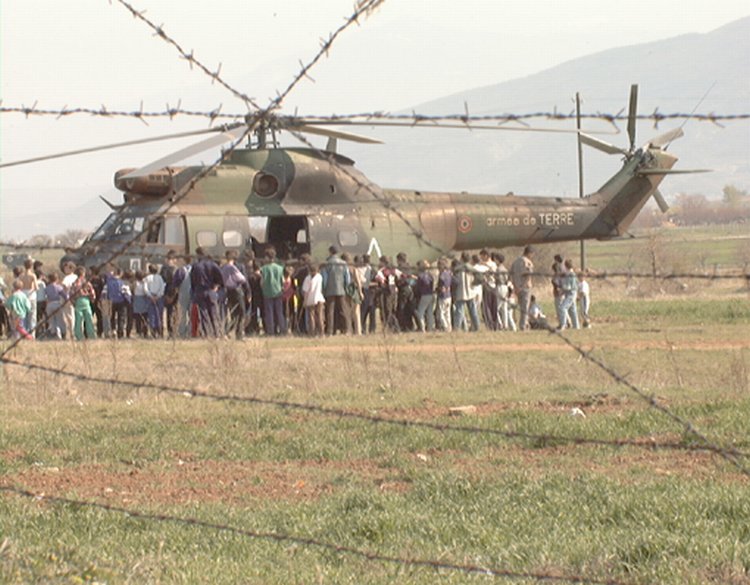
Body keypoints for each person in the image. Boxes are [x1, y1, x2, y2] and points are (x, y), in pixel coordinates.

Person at [191, 247, 224, 337]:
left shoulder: (195, 266)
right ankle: (218, 333)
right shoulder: (213, 265)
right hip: (211, 290)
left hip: (200, 291)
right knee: (214, 313)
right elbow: (221, 277)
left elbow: (193, 281)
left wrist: (194, 291)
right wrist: (217, 286)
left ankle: (208, 334)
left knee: (204, 313)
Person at [321, 246, 351, 336]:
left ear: (330, 252)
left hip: (330, 290)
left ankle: (330, 331)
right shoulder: (344, 263)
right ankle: (346, 329)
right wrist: (345, 286)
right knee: (343, 309)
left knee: (330, 310)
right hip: (341, 289)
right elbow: (347, 278)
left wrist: (324, 288)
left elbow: (325, 279)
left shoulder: (327, 264)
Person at [221, 250, 249, 340]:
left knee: (233, 313)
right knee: (241, 312)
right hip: (236, 290)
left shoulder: (222, 268)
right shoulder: (233, 268)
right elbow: (242, 279)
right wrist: (248, 291)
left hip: (228, 292)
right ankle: (239, 333)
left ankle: (226, 331)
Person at [259, 246, 286, 335]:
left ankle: (271, 331)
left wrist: (263, 287)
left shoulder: (264, 269)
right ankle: (282, 330)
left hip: (267, 293)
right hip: (278, 292)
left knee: (269, 313)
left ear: (267, 257)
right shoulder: (280, 268)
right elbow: (283, 281)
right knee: (279, 312)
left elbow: (262, 282)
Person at [453, 252, 480, 332]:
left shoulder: (458, 268)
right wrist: (474, 283)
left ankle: (457, 328)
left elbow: (455, 280)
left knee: (459, 311)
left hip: (461, 291)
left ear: (461, 258)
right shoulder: (471, 268)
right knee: (473, 311)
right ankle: (476, 327)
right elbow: (480, 277)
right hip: (471, 291)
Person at [510, 245, 534, 331]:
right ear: (529, 253)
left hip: (517, 287)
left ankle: (524, 324)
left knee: (521, 307)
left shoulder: (515, 261)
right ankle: (523, 325)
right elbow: (528, 275)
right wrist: (522, 286)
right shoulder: (527, 262)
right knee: (525, 308)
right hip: (525, 287)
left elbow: (511, 274)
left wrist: (515, 286)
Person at [70, 267, 97, 340]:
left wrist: (74, 303)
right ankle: (91, 335)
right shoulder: (87, 283)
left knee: (78, 320)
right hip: (86, 301)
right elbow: (92, 292)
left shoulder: (74, 283)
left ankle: (79, 335)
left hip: (78, 302)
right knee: (89, 319)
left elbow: (71, 295)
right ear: (83, 274)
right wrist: (92, 299)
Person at [301, 263, 325, 336]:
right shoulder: (319, 277)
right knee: (320, 316)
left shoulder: (308, 278)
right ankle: (321, 332)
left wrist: (305, 301)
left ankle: (312, 333)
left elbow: (305, 291)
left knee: (311, 317)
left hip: (311, 299)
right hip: (319, 298)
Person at [343, 253, 363, 335]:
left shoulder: (343, 269)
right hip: (354, 290)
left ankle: (349, 330)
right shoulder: (354, 269)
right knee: (356, 312)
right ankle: (358, 331)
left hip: (346, 290)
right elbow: (358, 282)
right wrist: (360, 292)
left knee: (347, 312)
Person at [172, 256, 193, 338]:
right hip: (192, 294)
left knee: (182, 313)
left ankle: (182, 332)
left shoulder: (180, 270)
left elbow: (175, 283)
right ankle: (190, 331)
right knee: (192, 314)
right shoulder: (194, 270)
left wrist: (176, 291)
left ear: (184, 261)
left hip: (182, 294)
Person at [557, 259, 580, 330]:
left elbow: (569, 287)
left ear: (566, 266)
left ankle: (563, 325)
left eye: (563, 266)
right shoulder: (568, 274)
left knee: (562, 308)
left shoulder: (571, 275)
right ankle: (576, 326)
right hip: (569, 294)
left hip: (571, 294)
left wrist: (561, 290)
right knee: (572, 310)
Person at [144, 264, 166, 337]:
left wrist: (150, 296)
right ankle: (160, 331)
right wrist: (158, 296)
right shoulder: (160, 278)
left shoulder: (147, 278)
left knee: (152, 315)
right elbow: (162, 288)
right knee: (159, 315)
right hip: (159, 297)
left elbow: (145, 289)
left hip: (150, 297)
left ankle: (153, 332)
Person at [414, 260, 436, 332]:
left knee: (420, 312)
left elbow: (418, 287)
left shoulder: (420, 276)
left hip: (424, 295)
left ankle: (422, 328)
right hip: (431, 294)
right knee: (430, 312)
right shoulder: (430, 275)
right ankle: (430, 327)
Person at [18, 258, 38, 338]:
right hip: (31, 296)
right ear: (31, 266)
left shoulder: (21, 276)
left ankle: (25, 333)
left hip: (23, 295)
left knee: (24, 316)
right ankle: (32, 334)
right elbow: (36, 287)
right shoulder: (33, 275)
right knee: (32, 316)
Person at [45, 272, 68, 339]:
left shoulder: (47, 288)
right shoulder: (59, 287)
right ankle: (63, 333)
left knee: (52, 320)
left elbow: (45, 296)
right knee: (60, 320)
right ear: (57, 279)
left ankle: (54, 333)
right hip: (57, 303)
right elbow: (65, 295)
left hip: (49, 304)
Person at [494, 253, 512, 331]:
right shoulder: (505, 269)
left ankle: (500, 324)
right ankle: (506, 325)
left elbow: (497, 279)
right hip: (505, 287)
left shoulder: (498, 269)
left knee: (496, 308)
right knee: (504, 307)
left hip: (500, 287)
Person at [435, 258, 453, 332]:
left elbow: (441, 284)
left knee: (441, 313)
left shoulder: (442, 275)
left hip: (443, 296)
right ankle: (449, 326)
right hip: (449, 295)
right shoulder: (449, 273)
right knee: (447, 312)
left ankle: (445, 326)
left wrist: (438, 288)